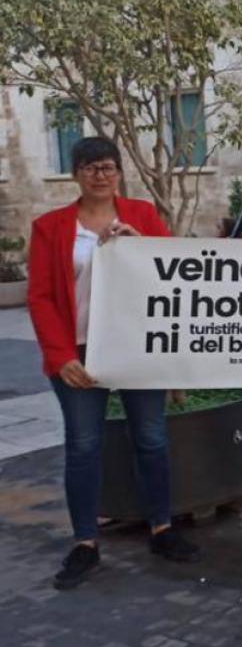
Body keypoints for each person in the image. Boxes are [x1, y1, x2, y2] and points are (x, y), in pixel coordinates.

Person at [27, 136, 201, 590]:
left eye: (107, 166)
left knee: (151, 437)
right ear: (76, 174)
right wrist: (60, 356)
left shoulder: (141, 216)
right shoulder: (50, 227)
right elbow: (42, 297)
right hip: (80, 353)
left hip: (135, 346)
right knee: (83, 445)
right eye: (90, 167)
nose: (100, 174)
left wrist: (138, 244)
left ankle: (162, 527)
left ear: (119, 172)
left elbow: (172, 269)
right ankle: (85, 541)